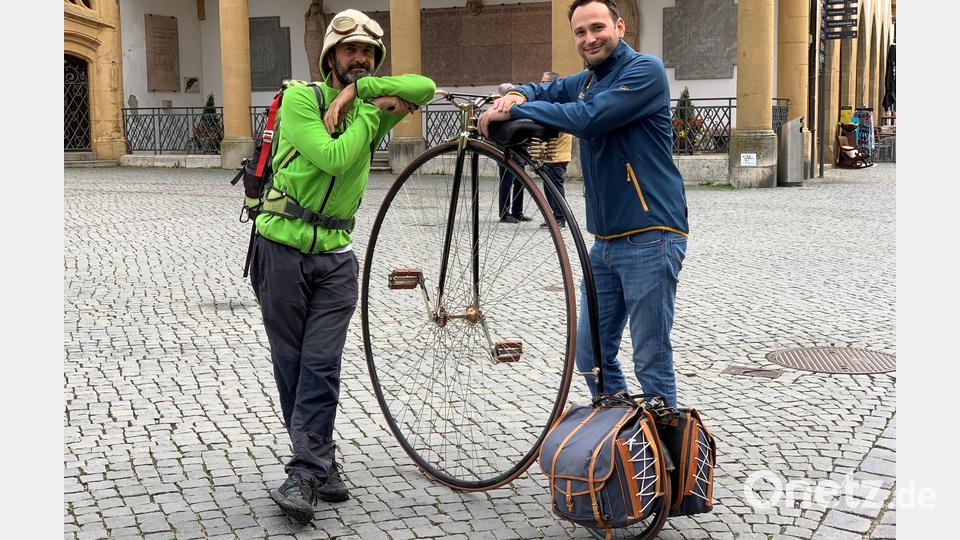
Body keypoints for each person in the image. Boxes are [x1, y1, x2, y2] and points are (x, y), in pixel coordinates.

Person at [249, 8, 435, 525]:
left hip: (335, 256)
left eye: (369, 53)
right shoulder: (300, 101)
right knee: (293, 363)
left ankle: (305, 471)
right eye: (350, 51)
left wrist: (361, 95)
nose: (360, 59)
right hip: (280, 249)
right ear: (330, 56)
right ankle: (320, 462)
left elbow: (426, 84)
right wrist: (376, 111)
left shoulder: (367, 98)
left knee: (322, 362)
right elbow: (332, 158)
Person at [478, 0, 689, 407]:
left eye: (598, 27)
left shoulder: (644, 71)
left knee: (651, 360)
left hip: (651, 234)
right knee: (591, 356)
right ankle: (625, 437)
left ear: (620, 26)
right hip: (605, 241)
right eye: (580, 32)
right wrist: (519, 93)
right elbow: (549, 89)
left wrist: (520, 108)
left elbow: (589, 117)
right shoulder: (587, 80)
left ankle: (667, 461)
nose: (590, 38)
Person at [530, 71, 572, 230]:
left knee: (555, 187)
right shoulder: (550, 102)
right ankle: (555, 217)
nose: (541, 85)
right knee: (549, 188)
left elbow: (555, 126)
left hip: (557, 155)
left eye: (544, 82)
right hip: (548, 155)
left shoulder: (558, 102)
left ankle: (560, 219)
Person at [496, 83, 532, 224]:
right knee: (506, 183)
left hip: (519, 151)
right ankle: (504, 213)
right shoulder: (498, 109)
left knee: (520, 182)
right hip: (506, 152)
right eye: (510, 92)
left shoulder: (515, 108)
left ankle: (518, 212)